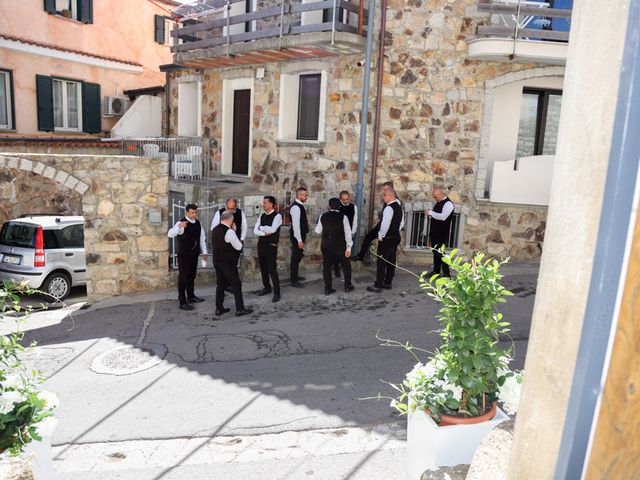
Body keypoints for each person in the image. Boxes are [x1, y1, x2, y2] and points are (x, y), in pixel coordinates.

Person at [211, 212, 253, 317]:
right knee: (236, 284)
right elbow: (238, 246)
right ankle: (240, 309)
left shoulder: (215, 229)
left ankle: (219, 308)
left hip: (217, 261)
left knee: (220, 284)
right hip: (227, 262)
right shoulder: (229, 231)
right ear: (230, 220)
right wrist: (234, 231)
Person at [167, 203, 208, 310]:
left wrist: (204, 252)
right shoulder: (181, 223)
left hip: (194, 254)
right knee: (183, 277)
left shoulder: (198, 223)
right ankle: (182, 301)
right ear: (187, 212)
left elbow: (202, 239)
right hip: (184, 255)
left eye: (195, 212)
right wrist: (179, 227)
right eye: (192, 213)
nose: (194, 214)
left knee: (192, 276)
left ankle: (191, 296)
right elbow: (170, 234)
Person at [367, 188, 404, 293]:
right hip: (395, 237)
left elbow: (385, 224)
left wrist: (380, 235)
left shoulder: (389, 208)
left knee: (381, 261)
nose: (383, 197)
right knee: (391, 260)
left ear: (390, 195)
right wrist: (395, 230)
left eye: (384, 195)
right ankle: (388, 283)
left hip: (387, 239)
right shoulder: (398, 206)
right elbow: (401, 222)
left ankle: (378, 285)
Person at [316, 198, 355, 295]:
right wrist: (349, 247)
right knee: (346, 265)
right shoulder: (343, 217)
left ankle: (328, 288)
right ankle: (347, 286)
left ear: (329, 206)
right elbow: (348, 233)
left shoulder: (323, 216)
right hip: (340, 245)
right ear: (339, 206)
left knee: (327, 266)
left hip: (326, 245)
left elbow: (318, 230)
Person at [352, 181, 395, 262]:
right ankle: (361, 256)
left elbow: (392, 219)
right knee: (368, 237)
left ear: (390, 189)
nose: (383, 191)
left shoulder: (394, 202)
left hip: (387, 228)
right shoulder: (388, 199)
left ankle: (388, 272)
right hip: (382, 225)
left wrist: (381, 234)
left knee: (388, 252)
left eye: (385, 189)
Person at [211, 198, 247, 293]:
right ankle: (227, 285)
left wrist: (242, 239)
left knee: (233, 264)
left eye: (232, 209)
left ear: (236, 207)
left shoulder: (240, 213)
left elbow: (244, 226)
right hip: (223, 245)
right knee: (226, 266)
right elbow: (213, 228)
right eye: (228, 208)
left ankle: (230, 285)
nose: (230, 211)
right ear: (226, 206)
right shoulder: (219, 213)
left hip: (235, 244)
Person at [254, 196, 283, 303]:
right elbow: (254, 230)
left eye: (265, 202)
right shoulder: (262, 216)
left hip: (271, 245)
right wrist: (263, 231)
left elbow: (272, 229)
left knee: (272, 269)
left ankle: (277, 292)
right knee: (263, 268)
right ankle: (267, 287)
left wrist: (261, 228)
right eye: (263, 202)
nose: (263, 204)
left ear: (271, 204)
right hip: (261, 244)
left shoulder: (278, 216)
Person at [424, 186, 455, 278]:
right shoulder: (438, 202)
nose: (434, 197)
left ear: (441, 194)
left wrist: (430, 213)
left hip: (442, 233)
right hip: (435, 232)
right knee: (435, 252)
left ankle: (446, 274)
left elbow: (443, 217)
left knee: (441, 253)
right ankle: (436, 272)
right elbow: (436, 216)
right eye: (434, 196)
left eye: (436, 196)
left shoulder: (448, 204)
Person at [333, 190, 358, 278]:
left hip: (349, 233)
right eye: (344, 200)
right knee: (337, 253)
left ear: (349, 198)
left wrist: (352, 233)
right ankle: (336, 269)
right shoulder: (338, 207)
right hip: (339, 234)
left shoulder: (353, 207)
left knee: (346, 253)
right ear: (340, 199)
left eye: (347, 199)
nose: (346, 201)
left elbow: (355, 221)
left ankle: (346, 270)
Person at [289, 187, 309, 288]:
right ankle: (294, 280)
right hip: (297, 236)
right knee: (295, 257)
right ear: (299, 195)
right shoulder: (296, 207)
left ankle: (295, 276)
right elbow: (296, 226)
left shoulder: (299, 206)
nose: (306, 197)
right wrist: (299, 240)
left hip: (300, 235)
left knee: (297, 257)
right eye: (305, 195)